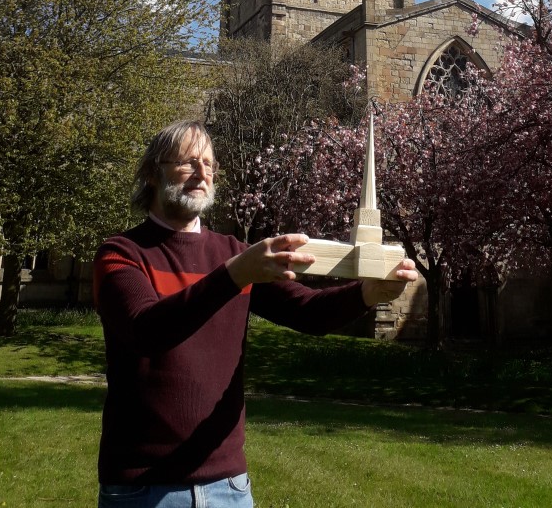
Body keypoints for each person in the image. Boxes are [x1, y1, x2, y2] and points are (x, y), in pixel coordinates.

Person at [94, 119, 418, 508]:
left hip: (228, 487)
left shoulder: (233, 254)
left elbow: (309, 312)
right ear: (152, 172)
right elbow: (146, 331)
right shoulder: (121, 253)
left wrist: (367, 293)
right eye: (187, 162)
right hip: (142, 489)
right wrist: (235, 275)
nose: (201, 173)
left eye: (208, 164)